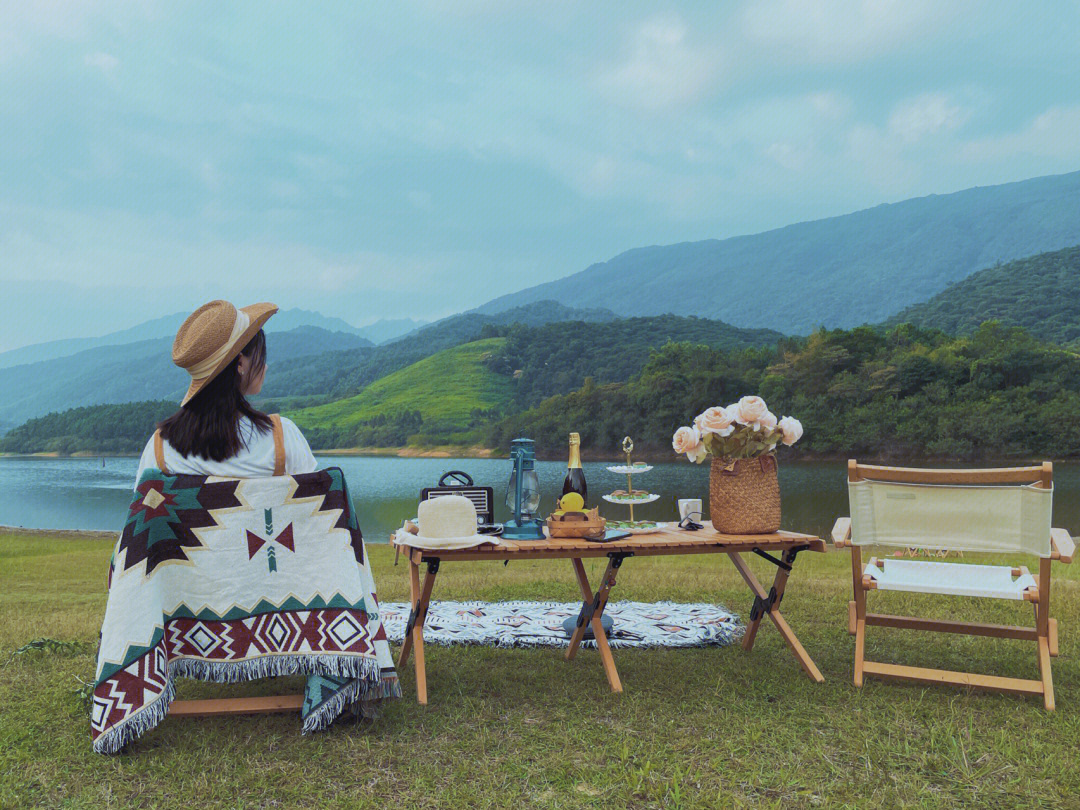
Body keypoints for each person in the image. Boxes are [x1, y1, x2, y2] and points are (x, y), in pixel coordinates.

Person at [135, 300, 316, 487]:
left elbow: (145, 513)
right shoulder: (282, 438)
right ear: (240, 363)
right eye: (261, 356)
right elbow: (316, 508)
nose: (266, 366)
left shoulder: (162, 448)